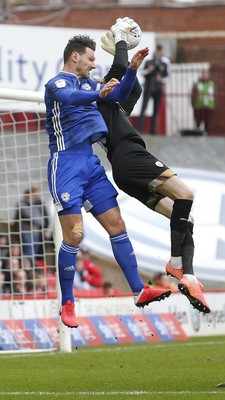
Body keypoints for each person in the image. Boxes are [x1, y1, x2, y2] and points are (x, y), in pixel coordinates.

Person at [44, 30, 171, 328]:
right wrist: (97, 93)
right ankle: (67, 303)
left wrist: (131, 71)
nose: (93, 64)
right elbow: (70, 97)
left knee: (117, 225)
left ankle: (139, 290)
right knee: (74, 235)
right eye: (90, 59)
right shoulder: (57, 83)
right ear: (75, 57)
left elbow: (118, 95)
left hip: (90, 163)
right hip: (65, 164)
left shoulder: (90, 84)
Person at [97, 17, 210, 314]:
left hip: (124, 171)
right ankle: (175, 265)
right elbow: (120, 72)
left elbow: (130, 86)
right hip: (131, 157)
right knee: (186, 194)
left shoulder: (117, 107)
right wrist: (121, 40)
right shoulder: (104, 100)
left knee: (186, 219)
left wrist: (130, 68)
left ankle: (189, 275)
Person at [137, 43, 171, 135]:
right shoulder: (148, 60)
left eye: (160, 51)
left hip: (158, 88)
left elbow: (168, 77)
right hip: (148, 87)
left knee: (156, 109)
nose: (158, 52)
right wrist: (149, 70)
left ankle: (153, 130)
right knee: (143, 108)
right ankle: (139, 129)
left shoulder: (165, 61)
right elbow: (141, 72)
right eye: (157, 50)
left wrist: (161, 79)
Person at [13, 185, 50, 261]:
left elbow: (41, 218)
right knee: (28, 254)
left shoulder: (37, 204)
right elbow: (32, 216)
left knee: (35, 254)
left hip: (36, 234)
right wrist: (40, 220)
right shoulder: (22, 203)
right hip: (26, 233)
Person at [191, 69, 215, 134]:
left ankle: (208, 136)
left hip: (209, 106)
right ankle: (197, 135)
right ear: (201, 74)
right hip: (198, 106)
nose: (205, 75)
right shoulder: (196, 83)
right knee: (198, 123)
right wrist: (193, 104)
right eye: (203, 74)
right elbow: (193, 95)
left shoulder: (212, 84)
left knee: (208, 124)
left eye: (206, 74)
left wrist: (215, 105)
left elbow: (215, 95)